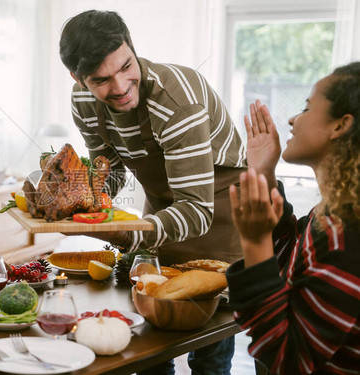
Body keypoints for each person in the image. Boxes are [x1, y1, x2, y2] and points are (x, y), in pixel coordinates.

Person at [59, 9, 246, 375]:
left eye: (126, 66)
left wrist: (128, 231)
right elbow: (109, 172)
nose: (120, 87)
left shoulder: (177, 99)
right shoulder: (83, 102)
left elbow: (196, 208)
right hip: (162, 205)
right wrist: (75, 202)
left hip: (220, 207)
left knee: (209, 344)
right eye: (101, 80)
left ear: (132, 46)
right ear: (78, 79)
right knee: (148, 339)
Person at [226, 62, 360, 374]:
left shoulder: (349, 240)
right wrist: (263, 173)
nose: (291, 118)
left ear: (340, 126)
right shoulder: (333, 213)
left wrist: (255, 241)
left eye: (306, 107)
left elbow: (290, 361)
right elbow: (291, 264)